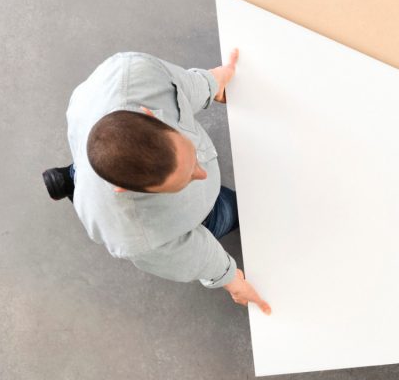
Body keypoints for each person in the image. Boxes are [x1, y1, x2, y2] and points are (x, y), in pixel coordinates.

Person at [42, 50, 271, 314]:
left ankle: (71, 178)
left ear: (152, 114)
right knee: (230, 210)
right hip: (137, 208)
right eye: (185, 180)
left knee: (98, 159)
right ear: (125, 190)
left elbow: (182, 88)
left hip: (90, 143)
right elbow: (193, 255)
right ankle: (76, 180)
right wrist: (231, 279)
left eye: (192, 156)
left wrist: (213, 83)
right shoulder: (138, 235)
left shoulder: (134, 73)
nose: (202, 174)